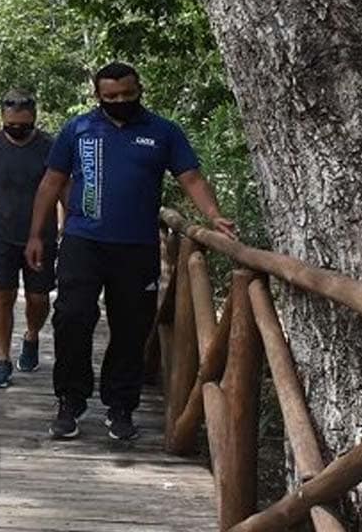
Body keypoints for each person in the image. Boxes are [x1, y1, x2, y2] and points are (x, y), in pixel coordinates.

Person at [26, 62, 237, 441]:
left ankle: (120, 406)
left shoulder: (163, 131)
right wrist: (36, 235)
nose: (120, 101)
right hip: (82, 240)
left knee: (131, 326)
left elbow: (190, 177)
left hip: (137, 246)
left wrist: (214, 216)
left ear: (139, 89)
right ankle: (70, 399)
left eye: (127, 94)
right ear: (98, 96)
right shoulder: (78, 129)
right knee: (72, 317)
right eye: (111, 97)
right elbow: (51, 181)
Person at [0, 91, 57, 388]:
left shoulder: (50, 146)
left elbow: (62, 188)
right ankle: (2, 360)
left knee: (38, 298)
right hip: (0, 235)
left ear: (34, 119)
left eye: (24, 125)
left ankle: (32, 335)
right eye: (11, 125)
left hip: (42, 236)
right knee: (2, 295)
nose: (18, 130)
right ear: (2, 119)